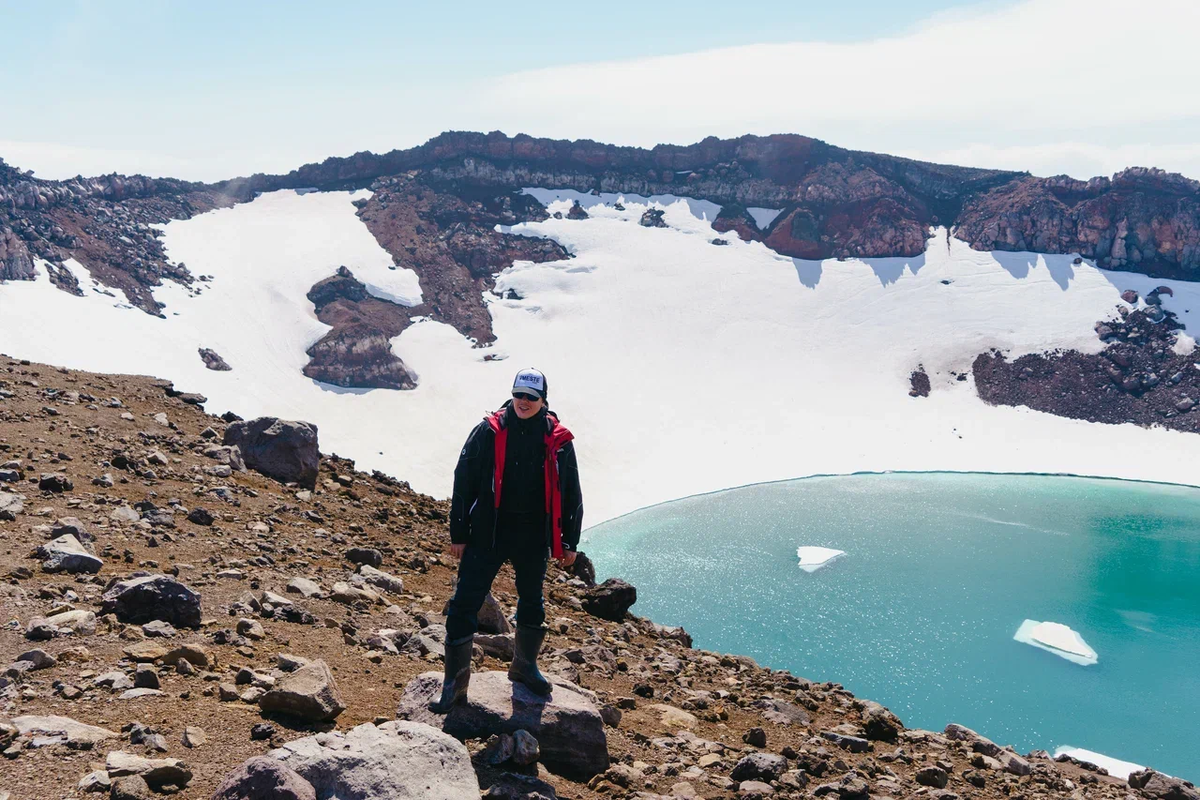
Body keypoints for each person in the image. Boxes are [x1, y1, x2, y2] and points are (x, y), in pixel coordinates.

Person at [430, 367, 584, 712]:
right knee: (464, 602)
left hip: (533, 534)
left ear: (543, 400)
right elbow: (463, 479)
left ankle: (525, 668)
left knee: (532, 602)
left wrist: (569, 541)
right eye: (519, 395)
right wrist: (458, 533)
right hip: (488, 532)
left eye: (531, 397)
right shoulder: (489, 430)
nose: (523, 402)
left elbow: (571, 489)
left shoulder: (557, 439)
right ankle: (454, 685)